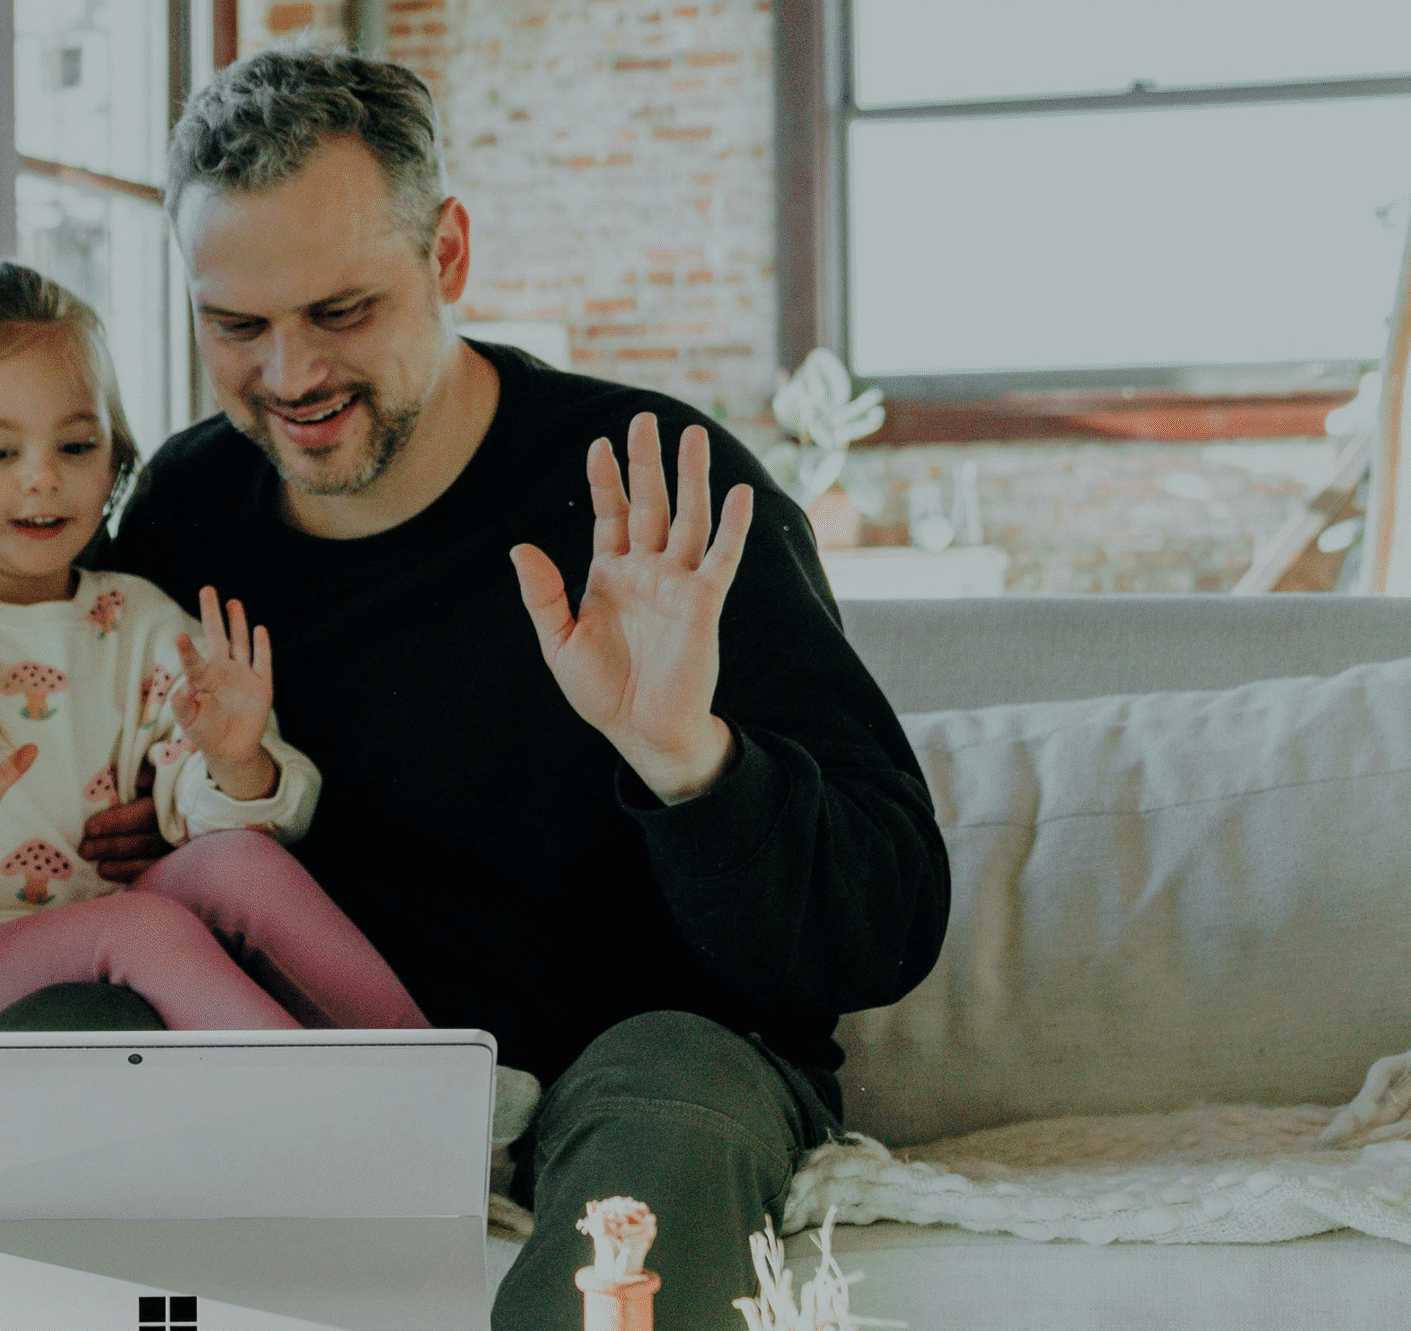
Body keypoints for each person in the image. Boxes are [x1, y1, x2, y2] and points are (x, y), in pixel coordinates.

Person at [90, 51, 953, 1331]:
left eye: (339, 311)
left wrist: (685, 756)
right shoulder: (184, 507)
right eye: (236, 325)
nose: (286, 376)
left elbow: (882, 922)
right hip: (311, 1052)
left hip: (657, 1053)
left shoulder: (658, 483)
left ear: (446, 256)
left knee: (657, 1118)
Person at [0, 261, 426, 1035]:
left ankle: (447, 1091)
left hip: (103, 949)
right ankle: (340, 1118)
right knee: (145, 927)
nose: (43, 479)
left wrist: (234, 761)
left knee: (238, 865)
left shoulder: (141, 622)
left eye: (76, 445)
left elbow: (215, 820)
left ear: (114, 456)